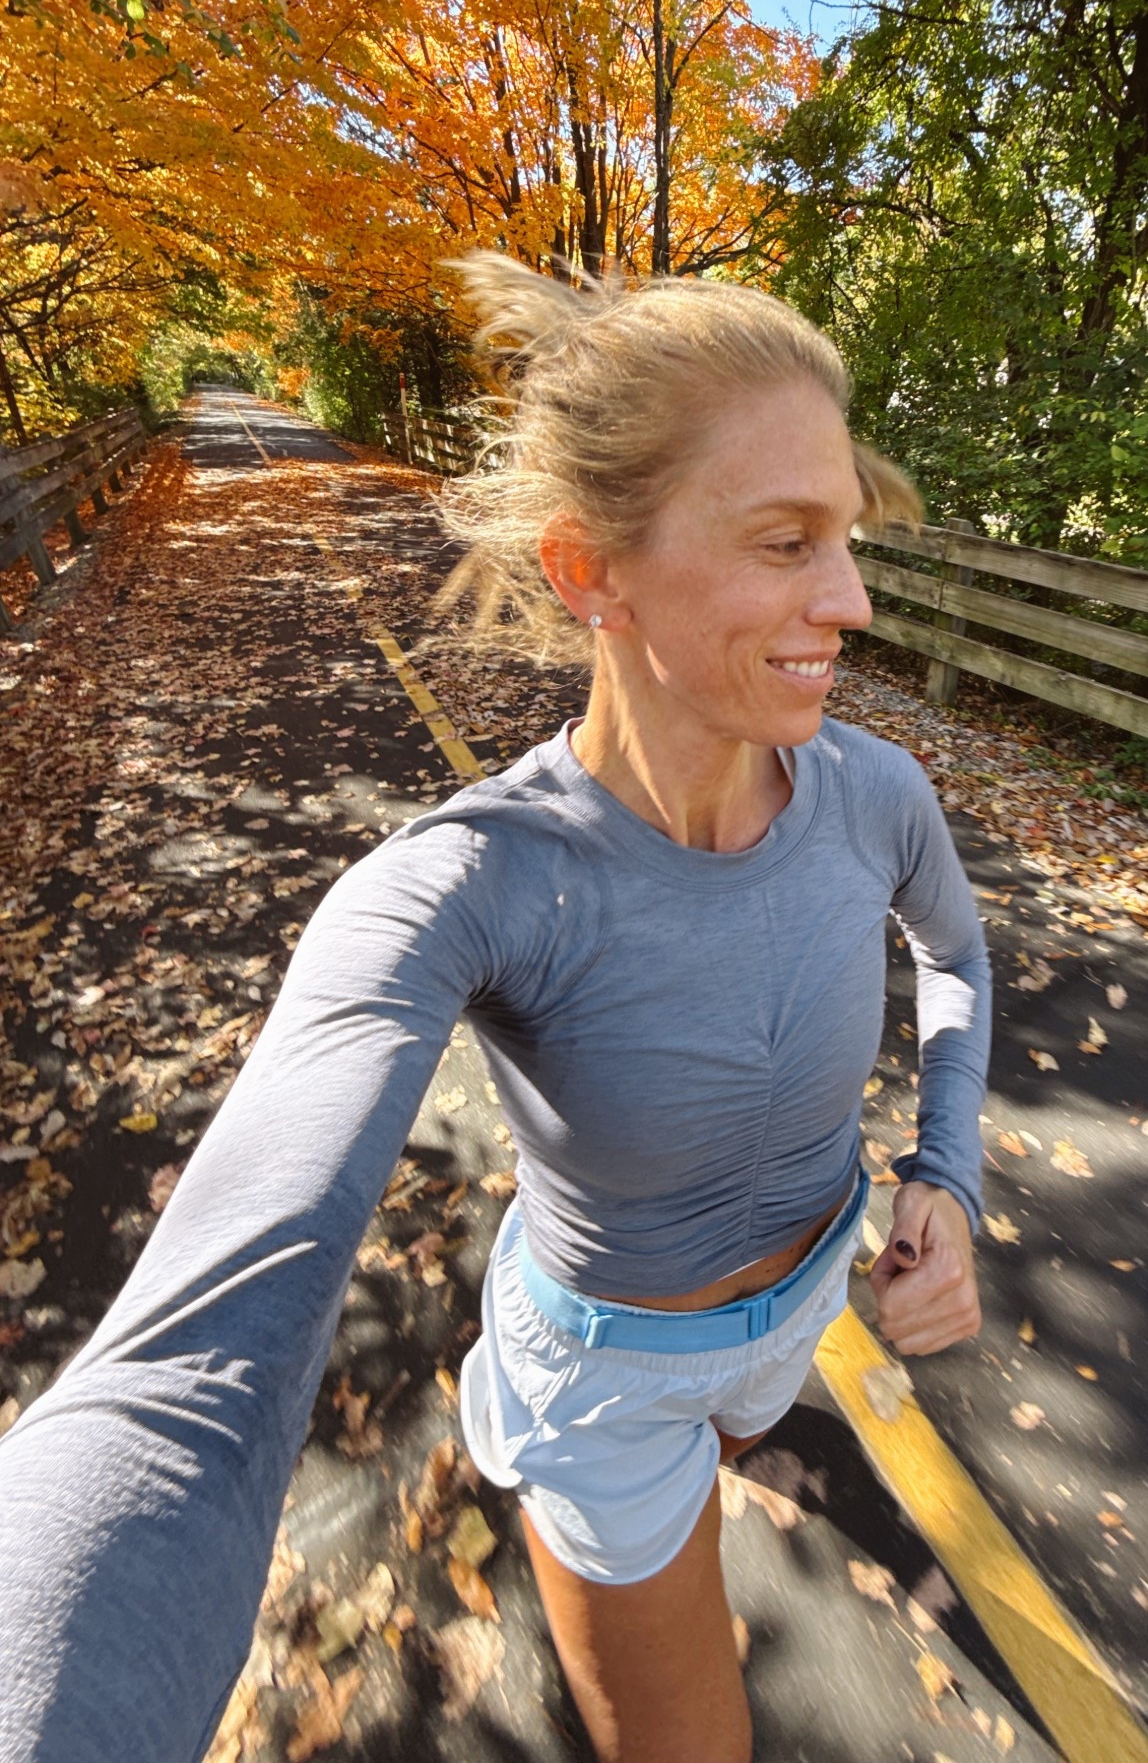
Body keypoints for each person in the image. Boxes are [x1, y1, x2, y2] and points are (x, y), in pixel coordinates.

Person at [0, 258, 992, 1763]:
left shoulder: (880, 794)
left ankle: (727, 1433)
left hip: (807, 1304)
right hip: (611, 1380)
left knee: (748, 1420)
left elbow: (957, 958)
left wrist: (949, 1178)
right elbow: (185, 1368)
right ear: (591, 570)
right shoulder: (466, 881)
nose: (852, 601)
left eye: (846, 539)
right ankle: (562, 1453)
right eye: (787, 541)